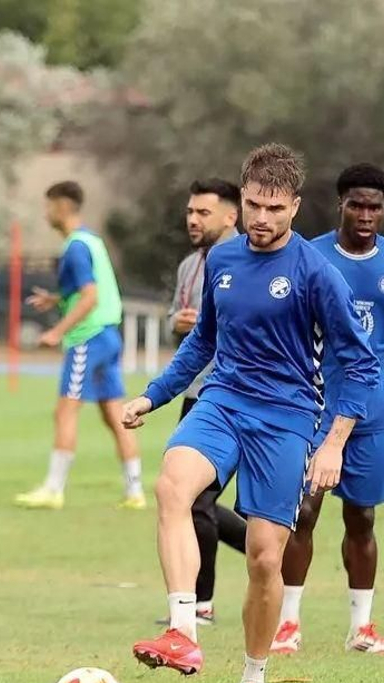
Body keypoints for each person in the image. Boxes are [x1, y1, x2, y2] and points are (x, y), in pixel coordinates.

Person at [123, 144, 379, 683]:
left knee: (265, 559)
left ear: (294, 207)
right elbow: (203, 342)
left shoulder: (317, 274)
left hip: (286, 418)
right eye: (253, 206)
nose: (261, 219)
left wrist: (333, 442)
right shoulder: (223, 260)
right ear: (242, 202)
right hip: (222, 402)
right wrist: (153, 395)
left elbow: (359, 364)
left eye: (274, 209)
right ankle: (183, 630)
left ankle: (254, 679)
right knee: (172, 487)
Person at [273, 164, 384, 657]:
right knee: (302, 512)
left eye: (375, 207)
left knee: (362, 517)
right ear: (340, 205)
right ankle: (288, 624)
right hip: (313, 406)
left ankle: (361, 628)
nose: (366, 215)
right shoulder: (309, 256)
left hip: (371, 411)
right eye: (357, 205)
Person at [13, 181, 145, 511]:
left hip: (88, 338)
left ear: (62, 206)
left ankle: (54, 489)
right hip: (109, 336)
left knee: (65, 411)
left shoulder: (75, 247)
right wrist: (57, 299)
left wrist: (57, 331)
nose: (46, 214)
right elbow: (87, 290)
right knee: (116, 416)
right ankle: (135, 491)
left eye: (49, 206)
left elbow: (90, 297)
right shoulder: (92, 241)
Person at [155, 179, 248, 626]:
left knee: (204, 503)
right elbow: (179, 322)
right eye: (190, 211)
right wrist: (183, 323)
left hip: (251, 400)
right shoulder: (190, 266)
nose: (193, 219)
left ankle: (265, 550)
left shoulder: (252, 263)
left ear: (232, 216)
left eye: (203, 213)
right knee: (192, 499)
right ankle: (201, 603)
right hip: (199, 397)